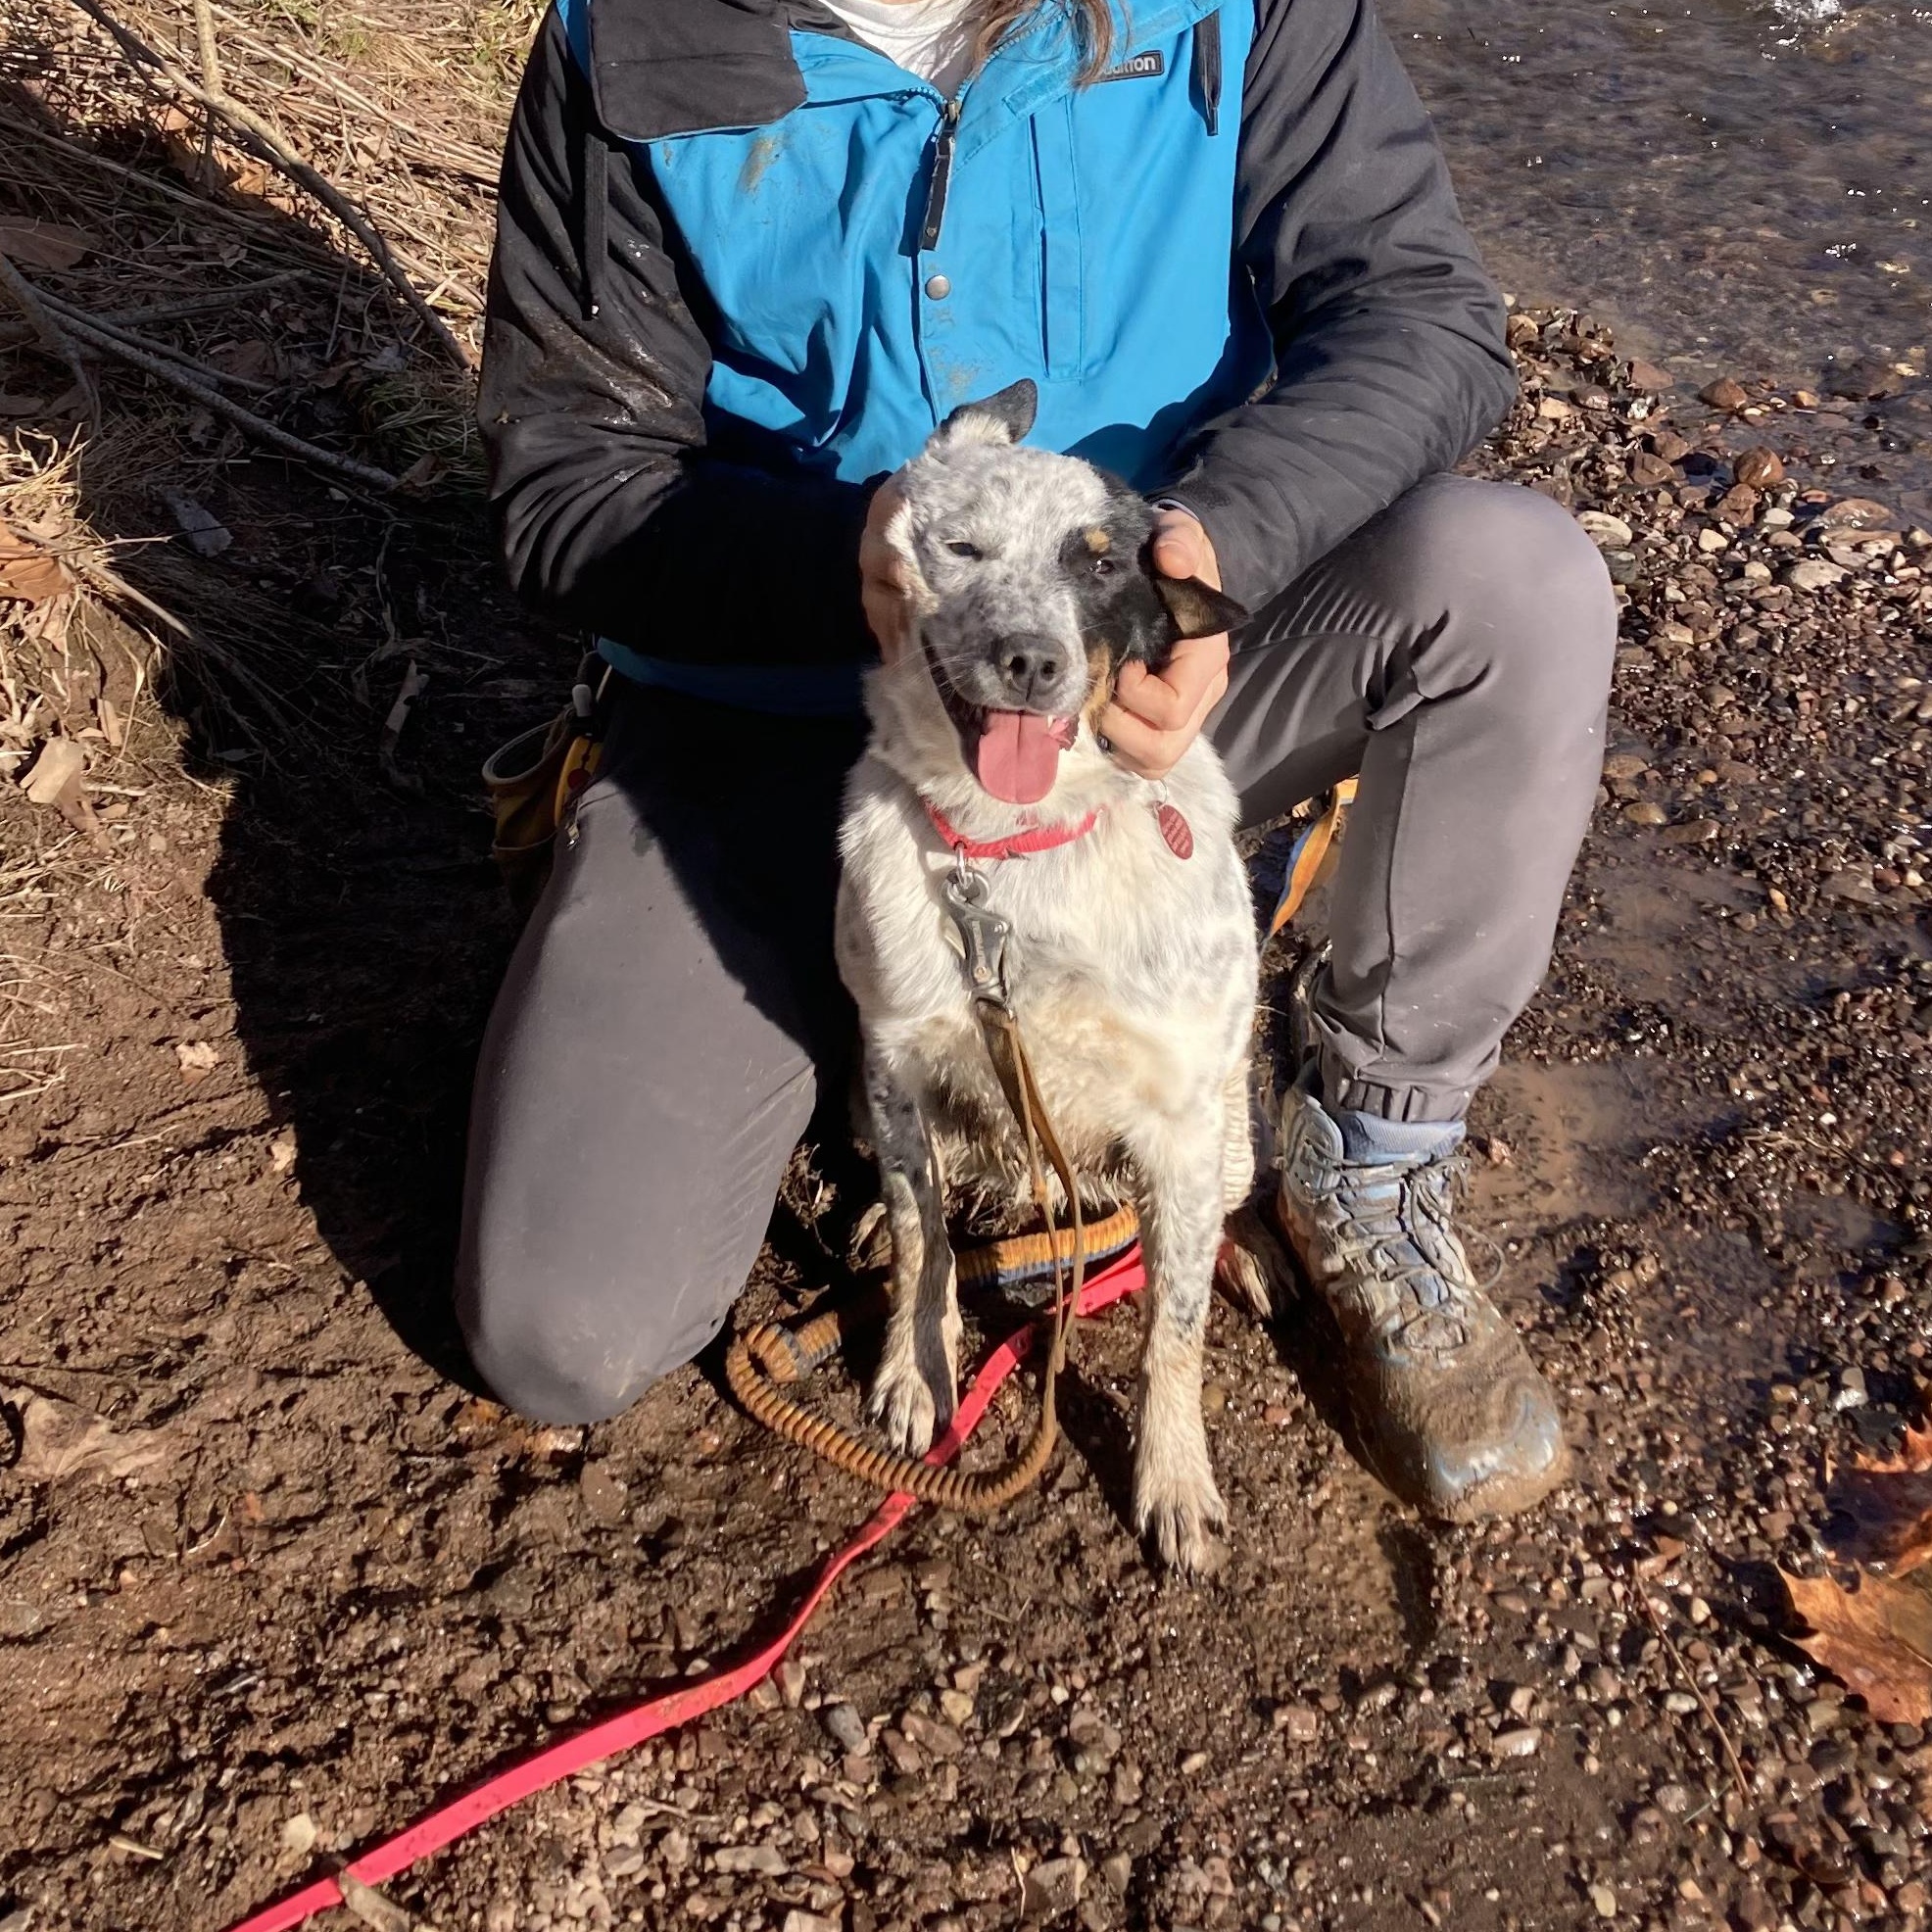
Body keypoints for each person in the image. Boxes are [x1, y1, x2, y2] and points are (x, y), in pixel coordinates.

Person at [459, 0, 1617, 1522]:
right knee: (564, 1328)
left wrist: (1218, 549)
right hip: (784, 723)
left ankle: (1370, 1161)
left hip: (1155, 699)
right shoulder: (636, 35)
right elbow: (561, 488)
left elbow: (1422, 319)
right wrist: (845, 562)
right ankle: (869, 1025)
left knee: (1509, 578)